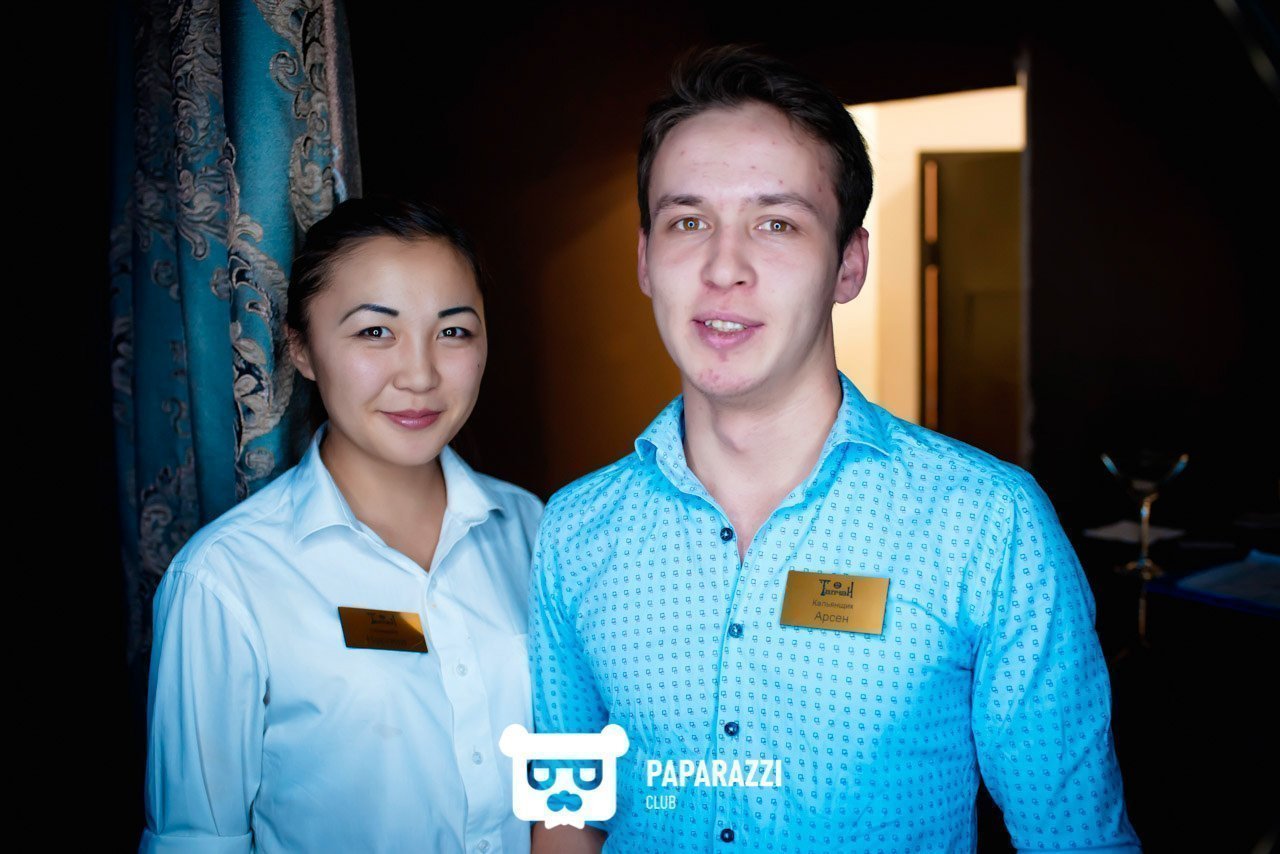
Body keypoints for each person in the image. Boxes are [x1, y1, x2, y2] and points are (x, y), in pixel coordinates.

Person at [529, 47, 1139, 853]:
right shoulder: (573, 529)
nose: (723, 268)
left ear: (848, 264)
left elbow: (1075, 840)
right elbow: (566, 812)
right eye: (688, 221)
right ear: (644, 260)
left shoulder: (989, 525)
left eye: (776, 223)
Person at [140, 197, 542, 853]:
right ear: (301, 348)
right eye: (375, 332)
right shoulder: (225, 580)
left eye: (453, 332)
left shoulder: (534, 529)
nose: (420, 375)